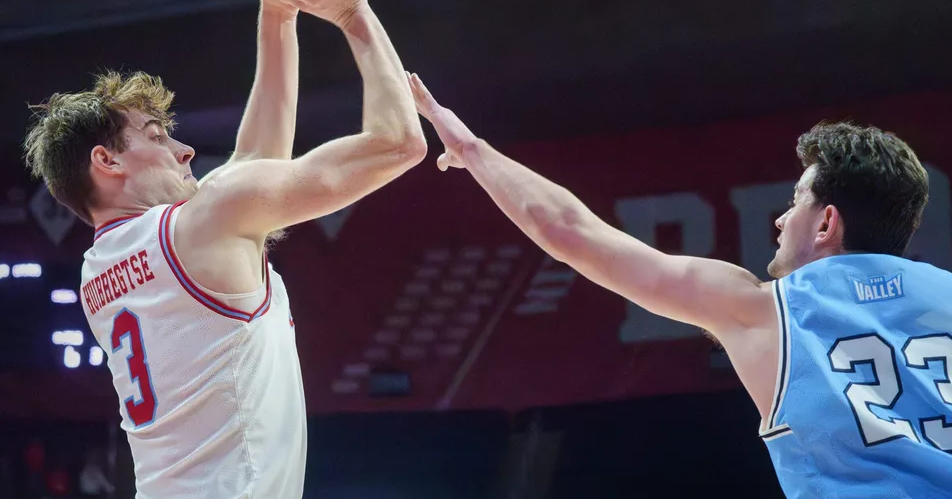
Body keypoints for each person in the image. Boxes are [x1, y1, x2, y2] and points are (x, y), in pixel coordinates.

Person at [407, 72, 952, 497]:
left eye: (795, 203)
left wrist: (474, 150)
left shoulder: (764, 310)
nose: (782, 220)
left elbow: (570, 231)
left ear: (828, 223)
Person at [22, 0, 426, 499]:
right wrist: (355, 15)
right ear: (107, 161)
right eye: (157, 136)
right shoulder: (199, 225)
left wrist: (278, 15)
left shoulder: (102, 271)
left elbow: (257, 159)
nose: (185, 149)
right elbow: (399, 143)